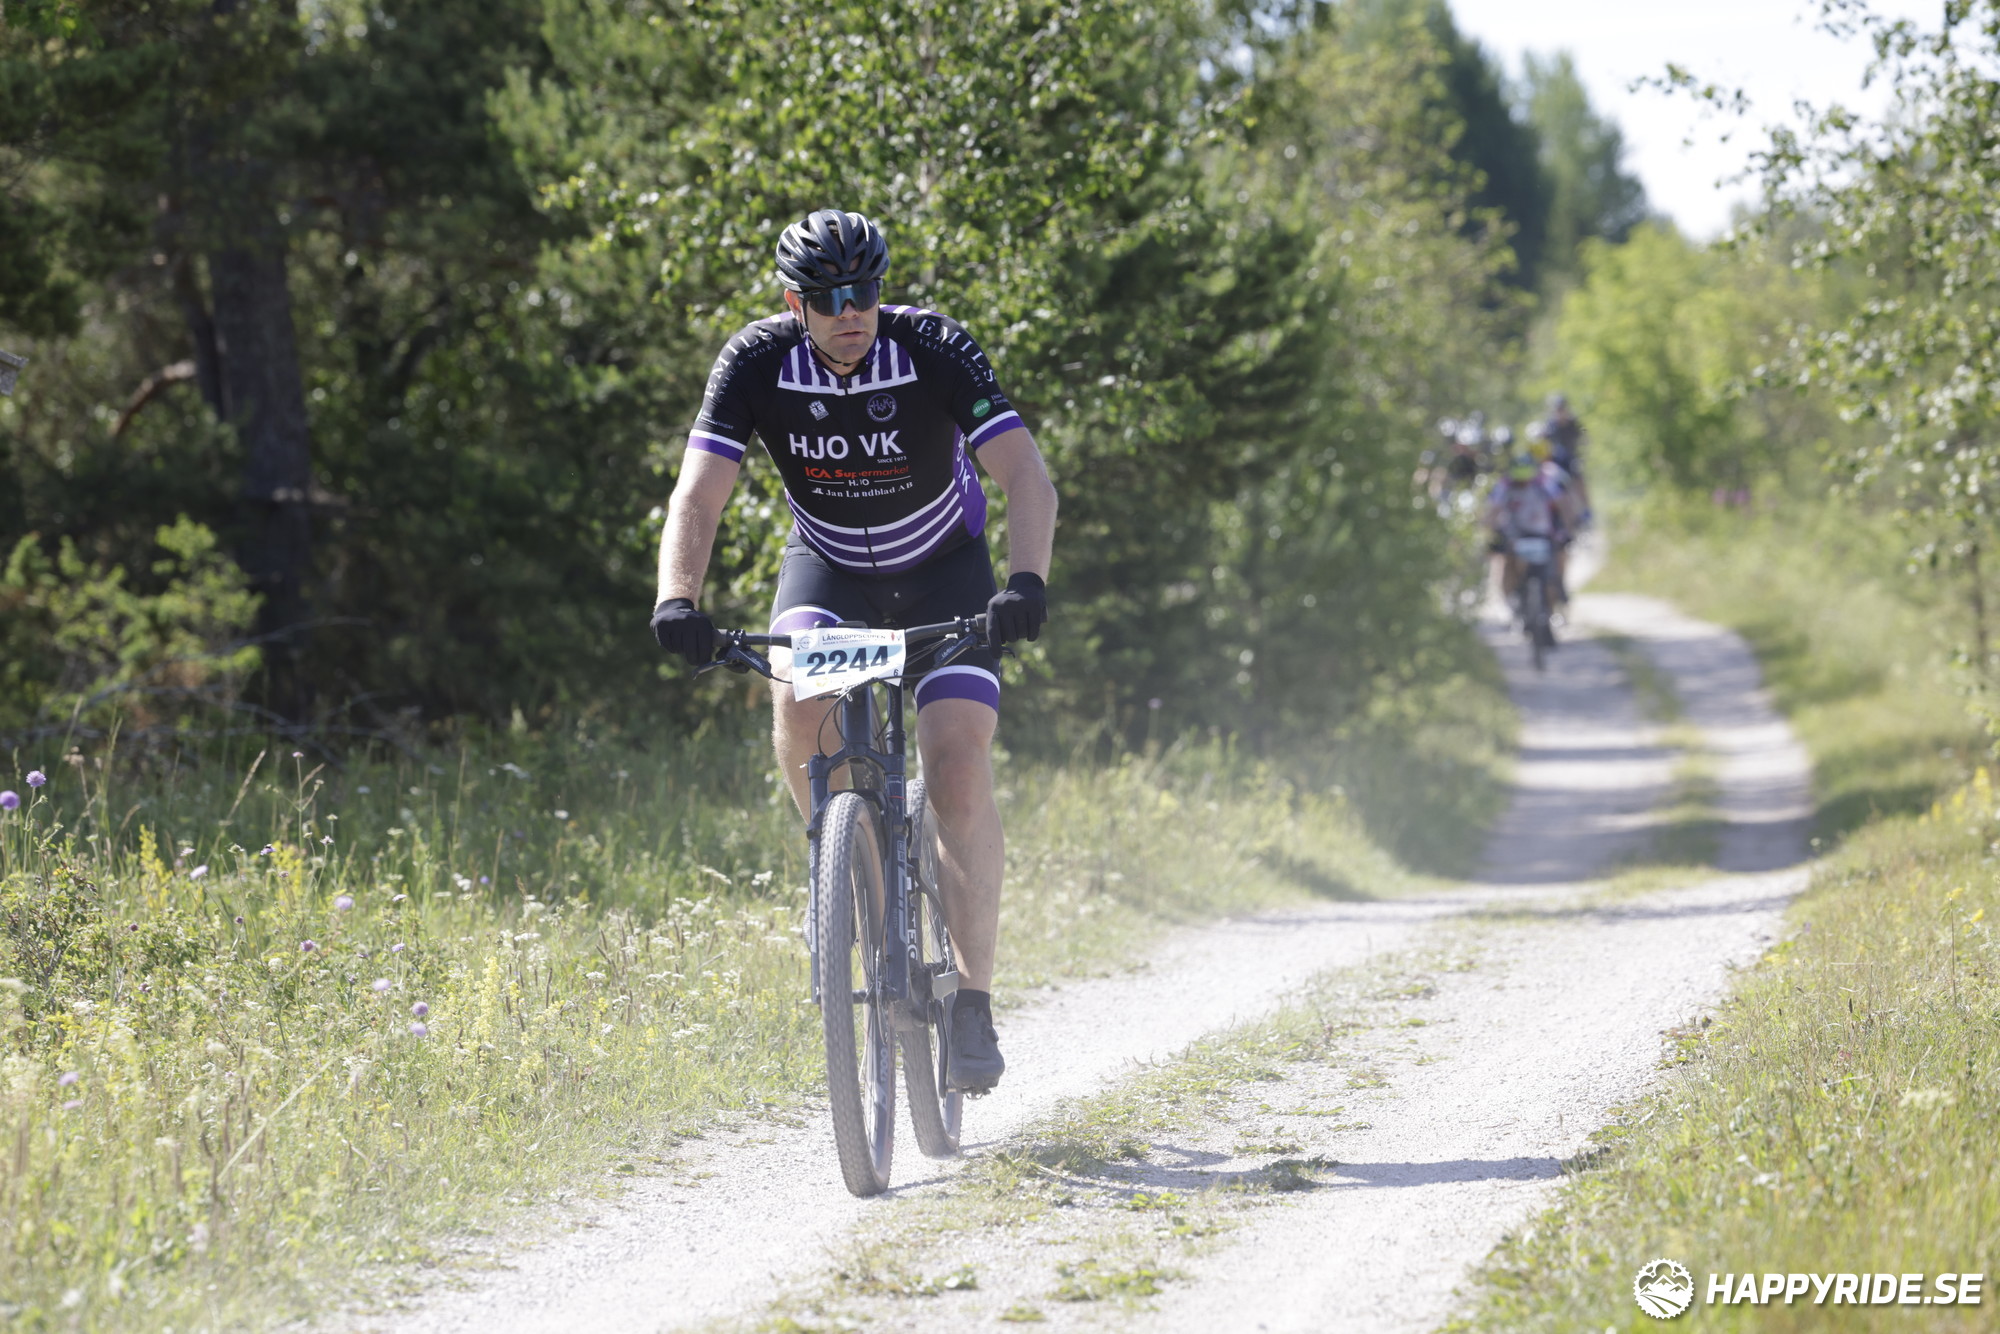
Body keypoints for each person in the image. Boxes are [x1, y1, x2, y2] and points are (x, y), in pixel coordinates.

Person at [650, 209, 1059, 1092]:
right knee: (797, 704)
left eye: (864, 292)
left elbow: (1027, 476)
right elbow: (698, 495)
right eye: (830, 297)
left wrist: (1026, 582)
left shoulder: (932, 346)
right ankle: (839, 873)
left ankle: (974, 1004)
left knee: (956, 768)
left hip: (946, 573)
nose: (851, 312)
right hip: (831, 574)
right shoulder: (756, 361)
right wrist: (676, 597)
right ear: (793, 303)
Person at [1484, 453, 1566, 612]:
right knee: (1507, 564)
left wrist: (1567, 527)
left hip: (1542, 534)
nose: (1523, 483)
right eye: (1519, 480)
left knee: (1553, 571)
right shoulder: (1504, 486)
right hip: (1514, 536)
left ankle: (1556, 602)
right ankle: (1511, 603)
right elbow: (1494, 510)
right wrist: (1488, 528)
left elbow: (1562, 504)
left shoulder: (1544, 484)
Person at [1542, 392, 1592, 521]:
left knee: (1578, 479)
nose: (1560, 411)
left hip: (1572, 457)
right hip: (1556, 460)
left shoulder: (1573, 422)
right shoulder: (1549, 425)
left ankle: (1587, 510)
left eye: (1562, 408)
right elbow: (1543, 441)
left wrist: (1585, 445)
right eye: (1557, 409)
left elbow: (1584, 432)